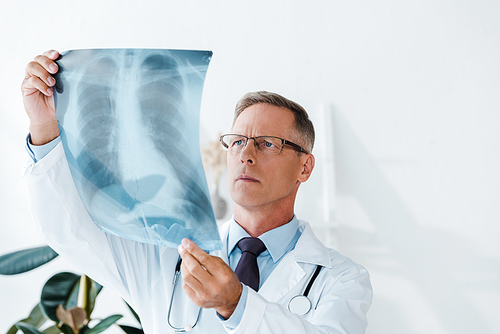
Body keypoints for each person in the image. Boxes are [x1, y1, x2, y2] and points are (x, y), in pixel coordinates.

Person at [21, 50, 373, 334]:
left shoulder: (342, 279)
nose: (246, 155)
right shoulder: (166, 257)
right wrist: (44, 126)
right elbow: (70, 231)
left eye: (268, 144)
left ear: (305, 167)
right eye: (237, 142)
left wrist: (238, 305)